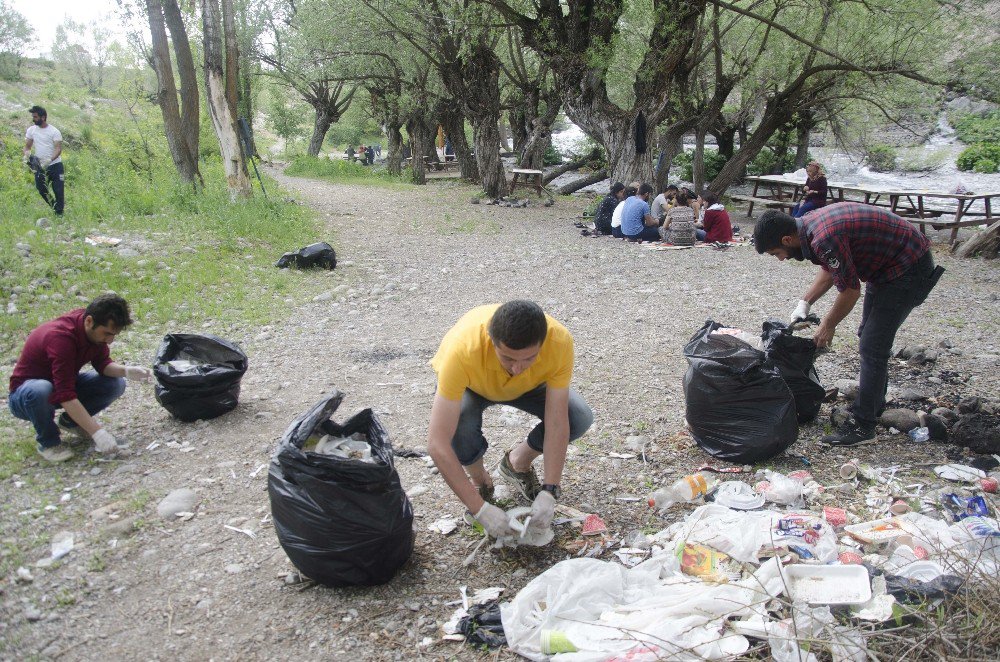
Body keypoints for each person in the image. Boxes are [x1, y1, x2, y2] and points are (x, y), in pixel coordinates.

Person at [753, 203, 944, 446]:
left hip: (908, 267)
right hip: (886, 266)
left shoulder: (823, 237)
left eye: (776, 253)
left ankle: (864, 427)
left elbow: (851, 291)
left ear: (787, 239)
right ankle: (874, 404)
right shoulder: (809, 227)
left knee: (873, 346)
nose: (780, 259)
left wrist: (828, 325)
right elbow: (832, 268)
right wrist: (805, 303)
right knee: (870, 337)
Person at [427, 301, 593, 541]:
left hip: (530, 387)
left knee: (577, 416)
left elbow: (557, 422)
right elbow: (437, 442)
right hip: (472, 386)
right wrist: (479, 509)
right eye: (507, 358)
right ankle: (480, 481)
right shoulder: (462, 348)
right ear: (491, 341)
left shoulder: (559, 342)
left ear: (542, 344)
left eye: (529, 358)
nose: (517, 368)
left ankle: (517, 463)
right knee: (458, 423)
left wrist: (550, 490)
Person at [8, 294, 153, 462]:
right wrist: (97, 432)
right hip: (27, 397)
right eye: (107, 334)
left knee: (115, 383)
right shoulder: (61, 339)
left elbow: (103, 364)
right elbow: (65, 395)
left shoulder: (93, 331)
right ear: (89, 321)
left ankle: (72, 422)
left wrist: (126, 371)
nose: (110, 340)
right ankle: (49, 442)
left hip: (59, 384)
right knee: (41, 389)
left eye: (114, 335)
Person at [23, 105, 64, 216]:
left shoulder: (54, 131)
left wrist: (49, 160)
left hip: (55, 165)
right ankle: (55, 208)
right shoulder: (32, 130)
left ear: (43, 117)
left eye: (35, 117)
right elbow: (27, 146)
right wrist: (26, 155)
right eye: (33, 116)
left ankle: (59, 215)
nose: (33, 119)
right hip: (39, 166)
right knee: (41, 189)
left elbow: (58, 149)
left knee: (58, 191)